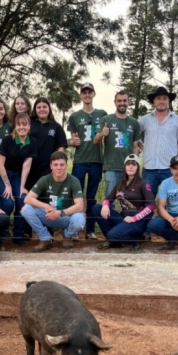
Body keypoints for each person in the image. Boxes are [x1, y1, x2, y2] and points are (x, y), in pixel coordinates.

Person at [21, 151, 85, 252]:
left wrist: (59, 213)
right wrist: (45, 206)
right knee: (26, 209)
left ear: (66, 165)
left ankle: (67, 236)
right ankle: (45, 238)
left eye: (62, 165)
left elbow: (80, 206)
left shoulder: (74, 180)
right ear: (51, 166)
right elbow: (27, 198)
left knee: (79, 218)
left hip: (65, 217)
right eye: (55, 165)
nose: (59, 168)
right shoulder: (45, 179)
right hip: (48, 215)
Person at [67, 82, 108, 240]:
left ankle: (90, 230)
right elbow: (72, 139)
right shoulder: (74, 116)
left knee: (91, 196)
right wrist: (72, 142)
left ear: (94, 94)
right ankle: (75, 228)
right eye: (84, 92)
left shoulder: (102, 114)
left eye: (89, 92)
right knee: (76, 196)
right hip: (79, 161)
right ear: (80, 95)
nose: (87, 95)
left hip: (96, 160)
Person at [91, 154, 155, 251]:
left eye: (134, 164)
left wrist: (135, 218)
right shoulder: (120, 183)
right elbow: (108, 199)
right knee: (96, 208)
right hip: (123, 217)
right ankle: (113, 240)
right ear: (124, 167)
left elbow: (152, 205)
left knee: (112, 234)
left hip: (137, 220)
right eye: (128, 164)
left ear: (138, 167)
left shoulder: (143, 183)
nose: (130, 166)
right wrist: (105, 205)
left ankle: (135, 241)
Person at [135, 86, 178, 197]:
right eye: (158, 98)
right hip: (149, 168)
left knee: (172, 200)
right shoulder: (145, 119)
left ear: (169, 100)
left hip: (169, 168)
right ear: (154, 101)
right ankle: (148, 215)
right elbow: (135, 134)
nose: (161, 101)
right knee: (147, 200)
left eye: (164, 98)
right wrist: (141, 145)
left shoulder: (177, 120)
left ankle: (170, 215)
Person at [0, 113, 38, 245]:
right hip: (1, 174)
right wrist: (7, 185)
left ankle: (18, 235)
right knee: (8, 203)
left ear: (29, 126)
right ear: (15, 126)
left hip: (16, 175)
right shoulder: (7, 140)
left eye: (24, 124)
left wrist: (22, 186)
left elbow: (27, 165)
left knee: (22, 200)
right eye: (19, 124)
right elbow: (0, 164)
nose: (22, 127)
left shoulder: (32, 142)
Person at [93, 90, 141, 197]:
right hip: (111, 167)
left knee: (130, 199)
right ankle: (109, 213)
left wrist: (135, 164)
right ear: (115, 102)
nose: (122, 103)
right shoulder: (106, 119)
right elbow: (95, 141)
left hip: (129, 168)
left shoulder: (134, 122)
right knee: (110, 199)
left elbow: (135, 146)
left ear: (129, 102)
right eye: (119, 101)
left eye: (124, 100)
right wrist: (102, 134)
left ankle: (127, 214)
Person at [28, 97, 68, 190]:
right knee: (27, 197)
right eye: (39, 107)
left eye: (44, 107)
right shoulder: (29, 124)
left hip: (47, 168)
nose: (42, 109)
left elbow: (61, 147)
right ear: (35, 109)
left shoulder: (56, 126)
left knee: (45, 196)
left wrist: (55, 165)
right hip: (30, 167)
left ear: (49, 109)